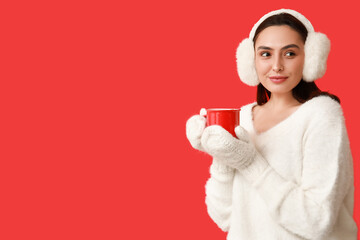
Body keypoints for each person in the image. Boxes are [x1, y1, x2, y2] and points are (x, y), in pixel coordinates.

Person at [186, 9, 358, 240]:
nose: (276, 66)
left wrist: (250, 162)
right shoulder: (243, 117)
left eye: (289, 53)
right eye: (265, 54)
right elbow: (225, 218)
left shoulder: (322, 115)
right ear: (251, 61)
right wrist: (221, 156)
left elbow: (317, 222)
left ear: (310, 57)